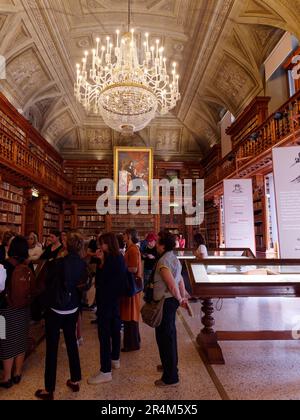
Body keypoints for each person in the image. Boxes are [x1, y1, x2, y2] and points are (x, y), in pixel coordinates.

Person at [35, 231, 88, 400]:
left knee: (52, 347)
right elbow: (83, 285)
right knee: (71, 342)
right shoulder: (82, 263)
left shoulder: (58, 263)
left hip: (56, 309)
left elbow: (47, 283)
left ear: (66, 245)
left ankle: (49, 389)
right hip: (72, 308)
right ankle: (75, 379)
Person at [88, 233, 127, 385]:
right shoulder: (119, 257)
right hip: (115, 300)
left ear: (108, 244)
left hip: (106, 300)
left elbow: (102, 280)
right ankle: (115, 359)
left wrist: (101, 261)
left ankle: (105, 371)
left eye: (102, 244)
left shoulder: (109, 259)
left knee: (104, 334)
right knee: (115, 329)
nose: (100, 247)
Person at [153, 231, 188, 388]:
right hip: (170, 302)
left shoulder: (164, 261)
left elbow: (172, 284)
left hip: (165, 302)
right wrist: (182, 296)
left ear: (163, 245)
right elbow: (179, 280)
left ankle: (170, 377)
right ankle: (170, 366)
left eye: (158, 242)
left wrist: (180, 298)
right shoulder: (174, 258)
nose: (156, 245)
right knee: (169, 336)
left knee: (165, 338)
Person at [0, 236, 34, 388]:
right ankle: (17, 373)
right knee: (21, 338)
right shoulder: (28, 265)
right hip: (24, 309)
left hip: (5, 310)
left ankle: (6, 377)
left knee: (4, 340)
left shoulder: (4, 265)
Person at [120, 228, 142, 352]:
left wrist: (120, 269)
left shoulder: (133, 249)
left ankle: (132, 343)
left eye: (124, 235)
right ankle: (133, 341)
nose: (123, 237)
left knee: (131, 314)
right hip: (130, 285)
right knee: (129, 313)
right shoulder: (130, 249)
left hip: (131, 286)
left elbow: (133, 268)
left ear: (129, 236)